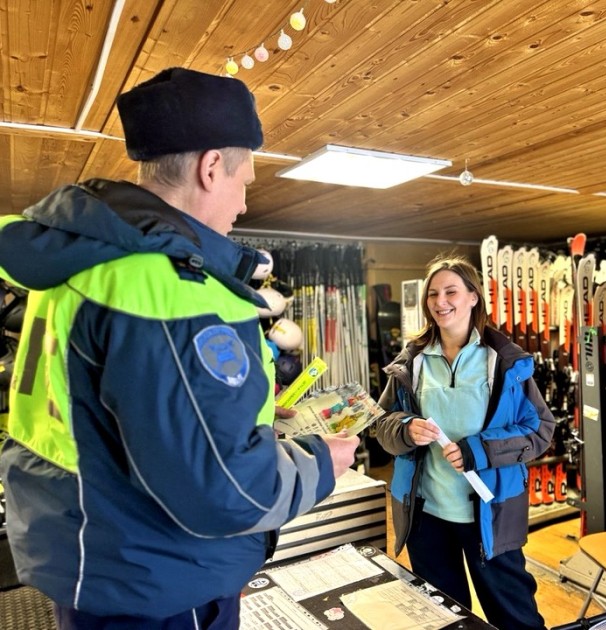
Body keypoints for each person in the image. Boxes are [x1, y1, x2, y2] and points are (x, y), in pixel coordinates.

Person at [0, 67, 359, 629]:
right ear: (211, 167)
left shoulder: (85, 262)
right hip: (162, 582)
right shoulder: (168, 289)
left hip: (99, 560)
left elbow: (105, 410)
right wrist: (320, 462)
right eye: (245, 182)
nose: (243, 204)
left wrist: (249, 414)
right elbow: (225, 491)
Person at [376, 255, 554, 630]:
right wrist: (405, 429)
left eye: (451, 291)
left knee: (515, 617)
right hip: (425, 516)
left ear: (473, 297)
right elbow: (379, 425)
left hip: (490, 514)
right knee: (445, 618)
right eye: (433, 294)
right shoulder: (412, 362)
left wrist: (481, 450)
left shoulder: (503, 361)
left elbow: (540, 429)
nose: (441, 302)